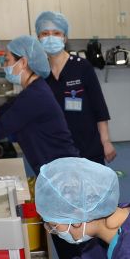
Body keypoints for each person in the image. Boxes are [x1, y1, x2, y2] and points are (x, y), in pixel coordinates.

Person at [0, 34, 78, 175]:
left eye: (7, 61)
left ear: (23, 62)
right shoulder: (33, 90)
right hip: (57, 170)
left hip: (63, 173)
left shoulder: (35, 95)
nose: (4, 66)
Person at [36, 11, 118, 165]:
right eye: (45, 33)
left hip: (88, 147)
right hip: (55, 150)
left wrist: (106, 141)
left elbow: (99, 107)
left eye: (56, 33)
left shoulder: (82, 67)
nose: (50, 37)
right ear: (38, 38)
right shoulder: (39, 73)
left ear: (65, 37)